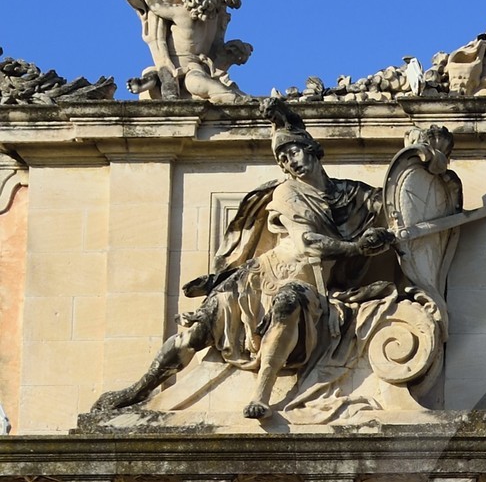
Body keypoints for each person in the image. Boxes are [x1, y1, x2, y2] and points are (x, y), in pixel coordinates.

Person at [92, 105, 399, 420]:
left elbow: (393, 204)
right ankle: (139, 390)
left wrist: (394, 232)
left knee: (288, 301)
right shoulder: (288, 192)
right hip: (259, 277)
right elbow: (307, 242)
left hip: (303, 286)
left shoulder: (352, 194)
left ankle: (261, 394)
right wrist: (356, 247)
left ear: (311, 150)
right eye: (283, 159)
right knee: (197, 332)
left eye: (293, 152)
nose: (290, 163)